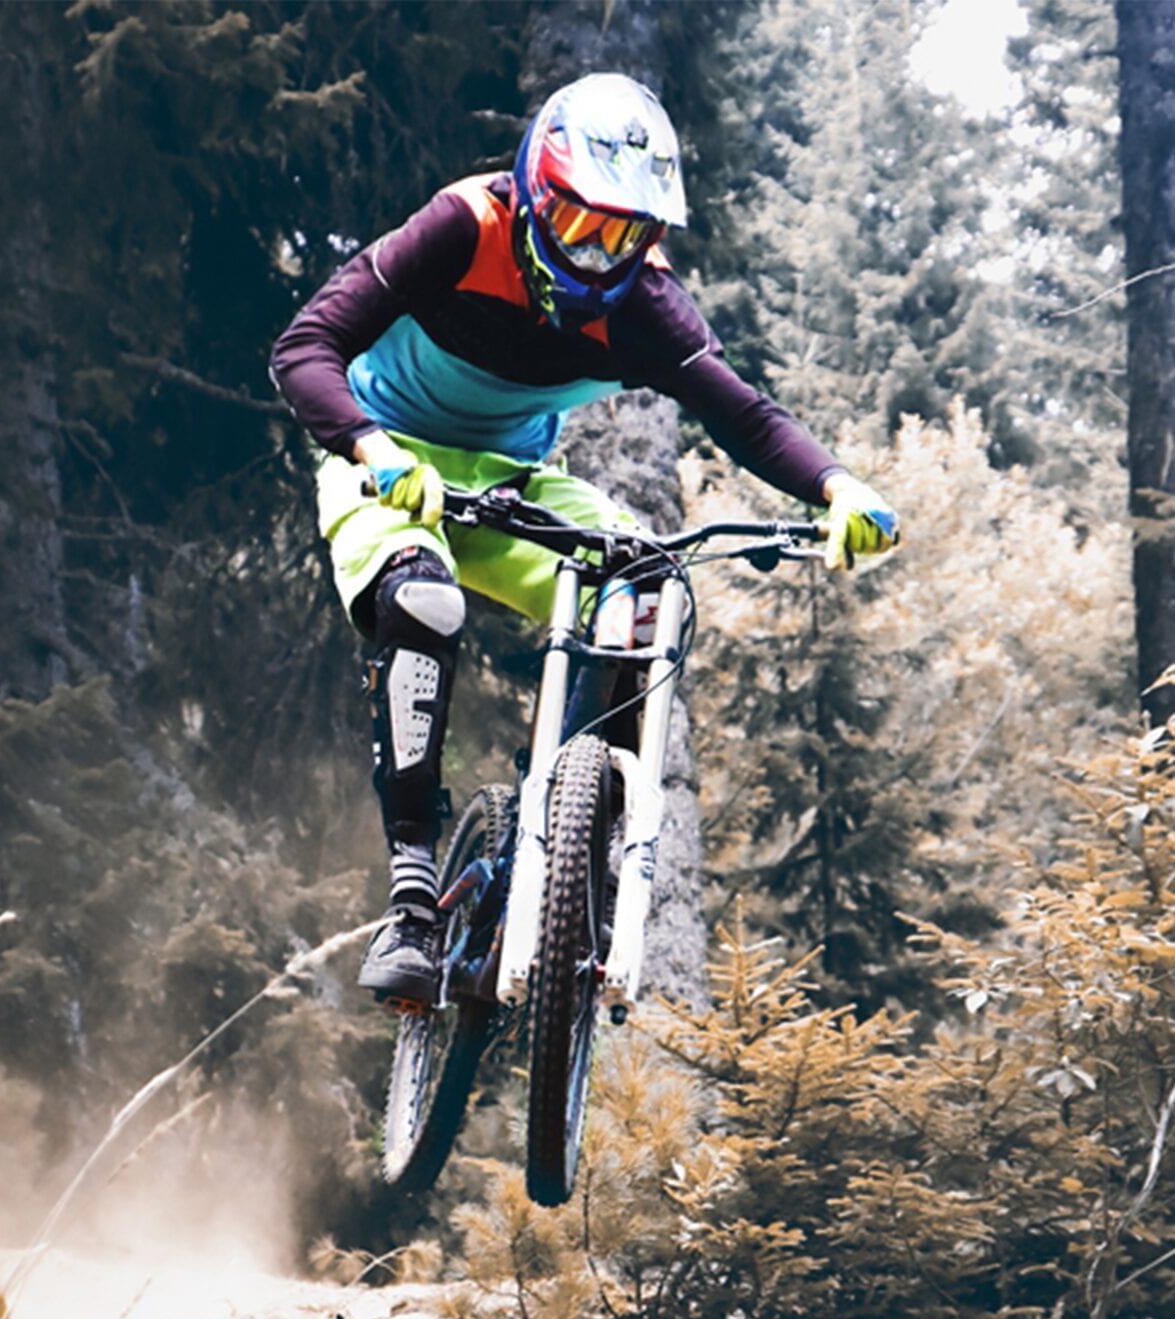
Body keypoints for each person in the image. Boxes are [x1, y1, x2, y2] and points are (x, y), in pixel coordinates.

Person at [270, 72, 899, 1007]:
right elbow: (304, 346)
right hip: (388, 461)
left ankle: (561, 828)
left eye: (626, 233)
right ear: (532, 188)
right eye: (580, 221)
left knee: (645, 586)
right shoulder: (462, 226)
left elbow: (747, 416)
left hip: (514, 484)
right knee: (424, 600)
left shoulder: (644, 307)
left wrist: (838, 483)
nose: (599, 252)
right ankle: (412, 896)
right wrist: (369, 446)